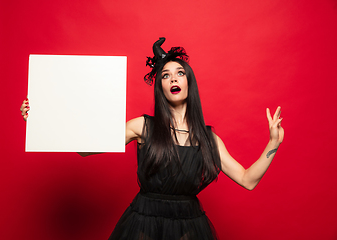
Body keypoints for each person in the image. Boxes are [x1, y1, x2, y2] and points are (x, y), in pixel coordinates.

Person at [20, 38, 284, 240]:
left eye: (179, 73)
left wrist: (273, 143)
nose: (173, 79)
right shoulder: (142, 127)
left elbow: (248, 180)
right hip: (143, 223)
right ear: (161, 87)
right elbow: (86, 150)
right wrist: (42, 118)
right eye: (165, 76)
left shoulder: (208, 138)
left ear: (189, 83)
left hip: (189, 226)